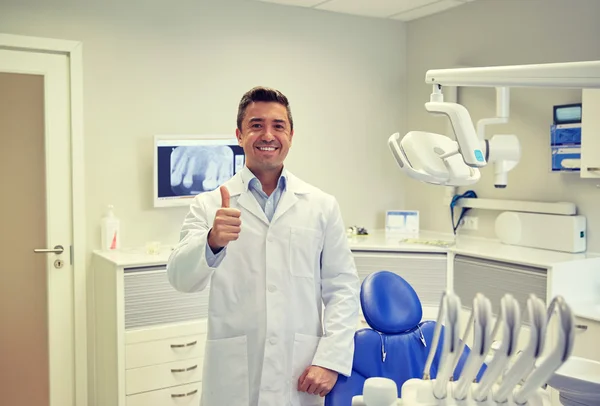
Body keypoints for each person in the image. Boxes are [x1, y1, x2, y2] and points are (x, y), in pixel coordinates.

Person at [167, 86, 360, 406]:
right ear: (240, 134)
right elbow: (180, 278)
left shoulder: (321, 205)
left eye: (278, 125)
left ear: (291, 135)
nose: (267, 134)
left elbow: (343, 288)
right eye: (256, 125)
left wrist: (331, 360)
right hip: (234, 373)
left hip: (299, 370)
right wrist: (212, 241)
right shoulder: (209, 204)